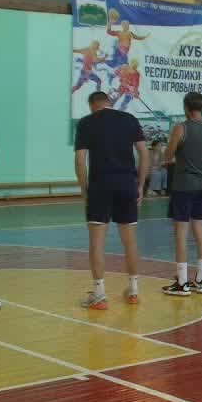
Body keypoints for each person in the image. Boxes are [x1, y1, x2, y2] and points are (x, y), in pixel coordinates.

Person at [75, 91, 149, 309]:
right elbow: (144, 154)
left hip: (100, 185)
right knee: (130, 241)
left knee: (97, 242)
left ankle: (99, 295)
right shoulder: (129, 119)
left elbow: (80, 160)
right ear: (109, 102)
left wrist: (84, 189)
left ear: (92, 105)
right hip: (127, 185)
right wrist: (140, 185)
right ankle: (133, 291)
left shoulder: (86, 122)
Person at [163, 91, 202, 296]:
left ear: (186, 107)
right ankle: (201, 279)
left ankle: (182, 282)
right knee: (200, 230)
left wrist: (170, 145)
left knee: (181, 232)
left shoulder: (181, 127)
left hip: (184, 185)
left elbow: (168, 156)